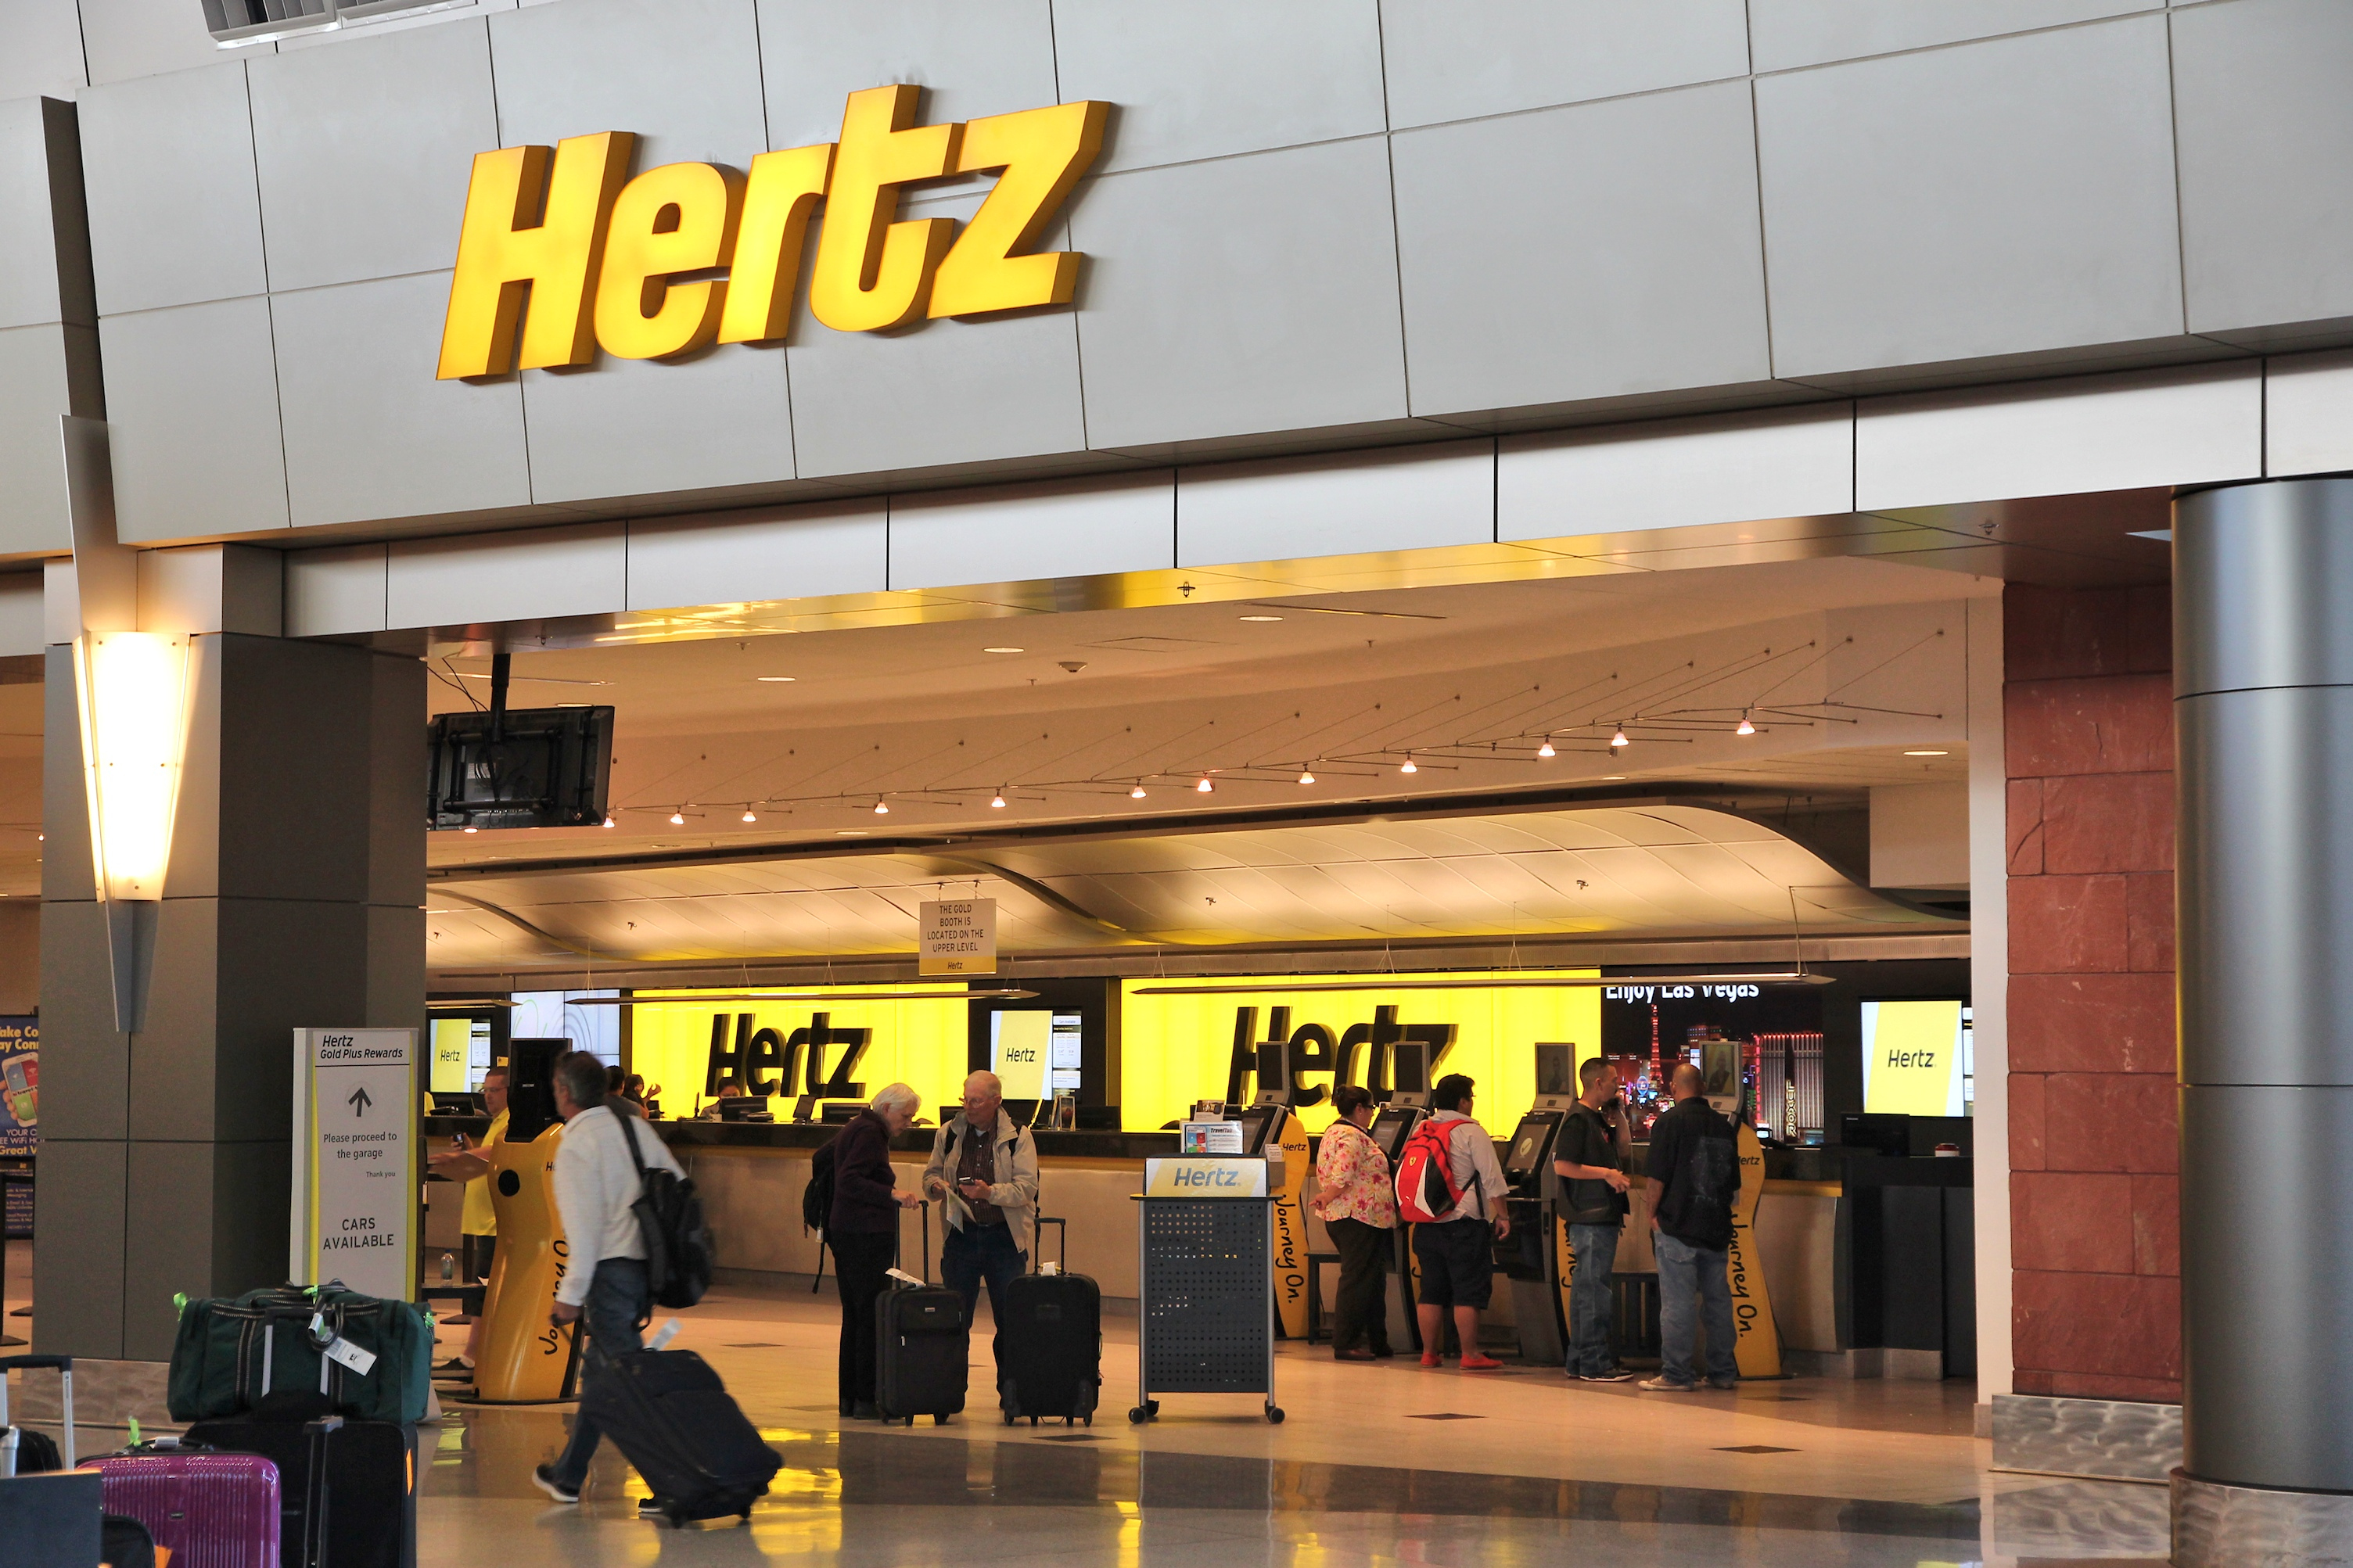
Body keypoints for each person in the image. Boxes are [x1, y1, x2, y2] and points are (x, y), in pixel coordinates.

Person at [533, 1050, 685, 1507]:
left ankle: (672, 1482)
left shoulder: (576, 1144)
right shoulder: (634, 1128)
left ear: (563, 1091)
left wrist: (570, 1296)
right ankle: (569, 1474)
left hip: (609, 1274)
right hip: (644, 1269)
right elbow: (676, 1183)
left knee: (626, 1382)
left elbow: (584, 1230)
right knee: (604, 1376)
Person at [921, 1071, 1039, 1376]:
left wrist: (990, 1193)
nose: (969, 1107)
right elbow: (930, 1174)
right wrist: (936, 1187)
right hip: (961, 1236)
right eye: (965, 1099)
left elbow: (1026, 1188)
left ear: (996, 1101)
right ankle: (948, 1390)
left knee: (1010, 1320)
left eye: (976, 1101)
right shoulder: (948, 1133)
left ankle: (1013, 1391)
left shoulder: (1018, 1136)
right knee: (955, 1318)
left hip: (1004, 1239)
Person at [1640, 1062, 1741, 1393]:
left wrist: (1652, 1216)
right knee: (1718, 1302)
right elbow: (1733, 1184)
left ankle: (1677, 1374)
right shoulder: (1724, 1127)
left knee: (1678, 1304)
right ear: (1703, 1088)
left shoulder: (1669, 1123)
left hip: (1677, 1225)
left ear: (1673, 1087)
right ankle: (1723, 1371)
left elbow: (1655, 1178)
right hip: (1716, 1226)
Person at [831, 1082, 925, 1419]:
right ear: (886, 1110)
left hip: (846, 1231)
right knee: (870, 1315)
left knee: (855, 1315)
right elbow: (850, 1180)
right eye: (905, 1116)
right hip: (866, 1234)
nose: (908, 1123)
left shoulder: (855, 1127)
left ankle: (851, 1398)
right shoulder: (870, 1134)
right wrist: (892, 1194)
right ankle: (867, 1398)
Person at [1405, 1073, 1510, 1370]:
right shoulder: (1470, 1132)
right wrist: (1502, 1215)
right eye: (1471, 1098)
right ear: (1463, 1101)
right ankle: (1470, 1354)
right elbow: (1492, 1179)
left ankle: (1428, 1353)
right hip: (1463, 1223)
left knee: (1431, 1289)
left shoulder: (1422, 1129)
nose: (1472, 1104)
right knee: (1468, 1288)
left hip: (1426, 1222)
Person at [1551, 1058, 1633, 1382]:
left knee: (1588, 1288)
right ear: (1597, 1083)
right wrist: (1607, 1174)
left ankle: (1580, 1359)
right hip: (1589, 1216)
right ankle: (1595, 1362)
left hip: (1601, 1214)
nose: (1618, 1086)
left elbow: (1623, 1151)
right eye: (1613, 1081)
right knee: (1594, 1290)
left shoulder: (1597, 1121)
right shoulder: (1577, 1121)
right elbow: (1563, 1165)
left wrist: (1621, 1118)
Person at [426, 1062, 508, 1379]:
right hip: (481, 1219)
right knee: (480, 1288)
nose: (487, 1097)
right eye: (484, 1090)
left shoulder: (511, 1120)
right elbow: (489, 1155)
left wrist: (461, 1158)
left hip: (492, 1221)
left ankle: (474, 1357)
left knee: (483, 1290)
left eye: (494, 1090)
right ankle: (478, 1356)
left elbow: (500, 1150)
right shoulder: (496, 1120)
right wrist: (469, 1153)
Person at [1312, 1084, 1396, 1362]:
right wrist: (1327, 1195)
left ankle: (1377, 1340)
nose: (1372, 1114)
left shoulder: (1334, 1132)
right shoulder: (1351, 1136)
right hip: (1358, 1216)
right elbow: (1343, 1173)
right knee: (1358, 1279)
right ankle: (1346, 1342)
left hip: (1356, 1217)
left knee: (1372, 1280)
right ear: (1359, 1109)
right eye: (1371, 1108)